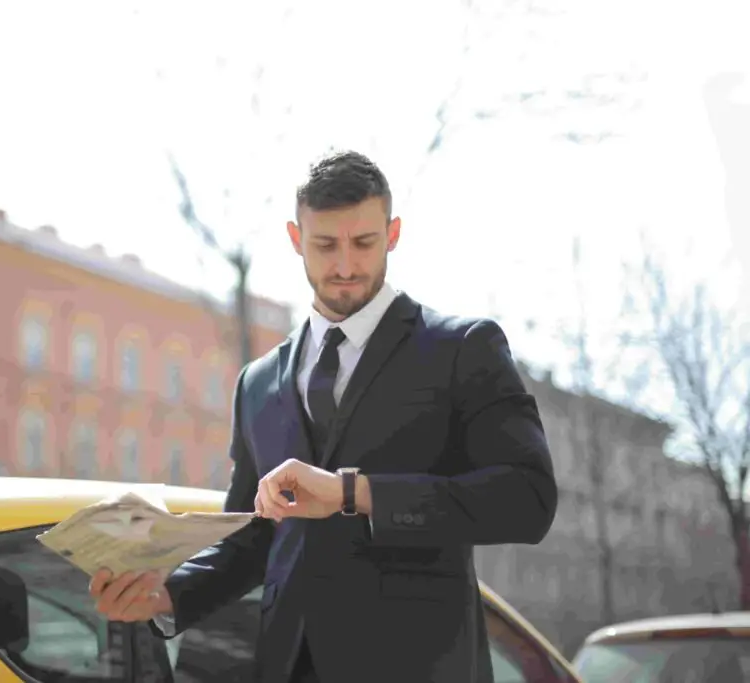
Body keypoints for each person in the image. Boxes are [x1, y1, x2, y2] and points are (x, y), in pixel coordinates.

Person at [89, 150, 558, 682]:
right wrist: (166, 594)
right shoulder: (258, 382)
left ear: (394, 232)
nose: (344, 266)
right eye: (325, 244)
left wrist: (352, 492)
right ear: (295, 239)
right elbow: (251, 538)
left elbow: (529, 498)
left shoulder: (462, 348)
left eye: (364, 243)